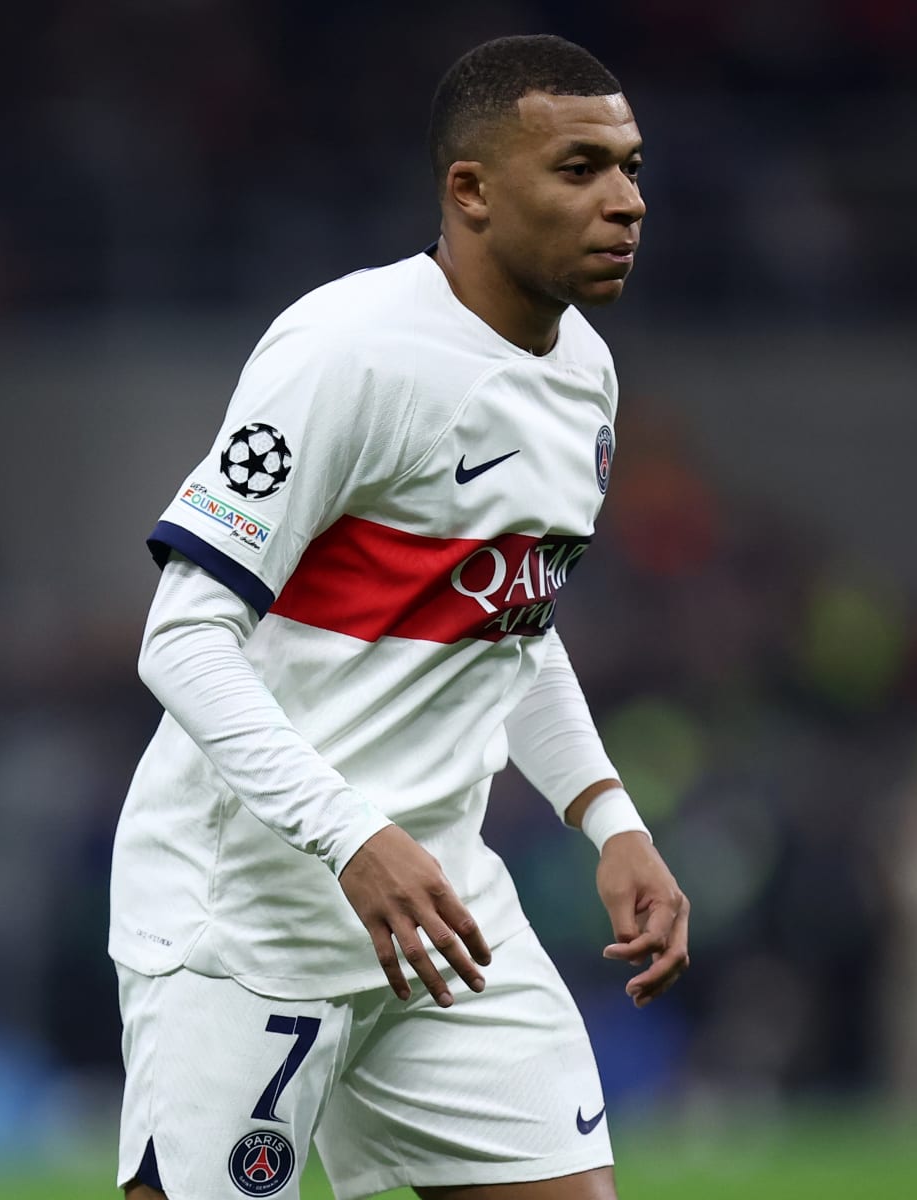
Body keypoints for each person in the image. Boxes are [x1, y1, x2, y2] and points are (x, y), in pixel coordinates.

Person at [109, 34, 690, 1200]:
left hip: (443, 913)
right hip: (254, 917)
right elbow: (181, 640)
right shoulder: (345, 352)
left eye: (630, 168)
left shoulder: (585, 373)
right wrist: (352, 838)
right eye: (580, 169)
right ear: (470, 189)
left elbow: (506, 626)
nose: (626, 201)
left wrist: (611, 820)